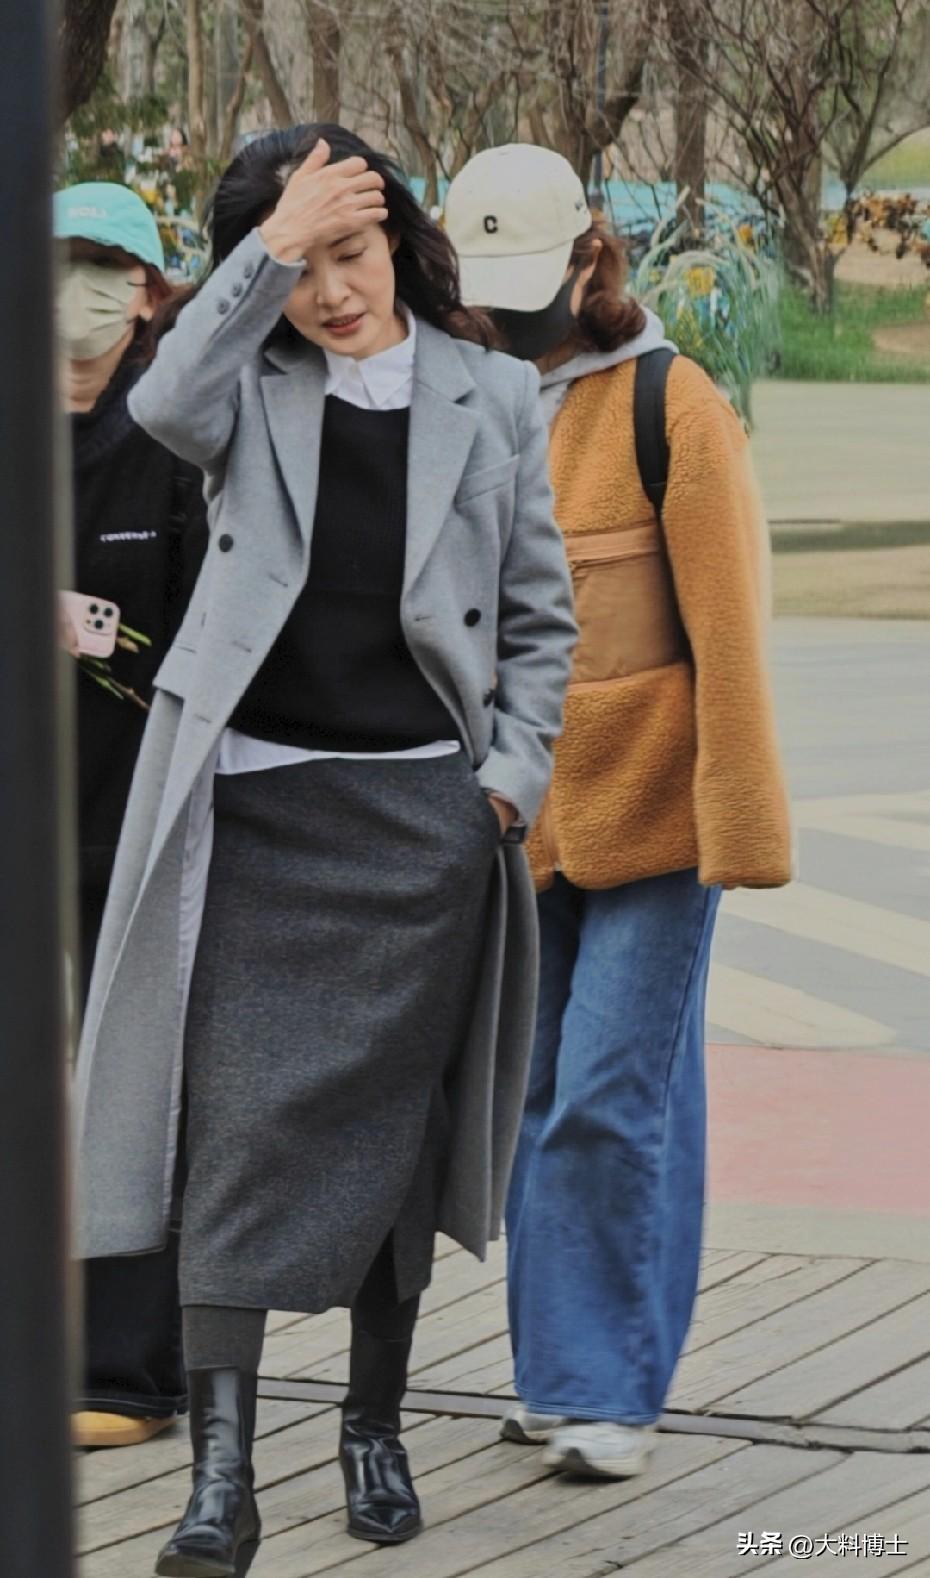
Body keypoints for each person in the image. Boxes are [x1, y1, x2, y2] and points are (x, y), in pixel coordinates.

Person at [73, 125, 576, 1574]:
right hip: (252, 811)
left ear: (398, 241)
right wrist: (271, 246)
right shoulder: (245, 380)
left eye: (353, 253)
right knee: (236, 1137)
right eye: (304, 265)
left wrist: (501, 788)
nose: (333, 293)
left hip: (420, 821)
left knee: (390, 1146)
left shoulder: (492, 391)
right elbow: (162, 400)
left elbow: (538, 616)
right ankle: (220, 1479)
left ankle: (372, 1426)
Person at [446, 144, 792, 1480]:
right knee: (544, 1096)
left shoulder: (671, 401)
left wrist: (739, 822)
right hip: (515, 820)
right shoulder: (463, 396)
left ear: (591, 255)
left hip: (655, 813)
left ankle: (602, 1387)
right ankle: (565, 1373)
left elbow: (730, 635)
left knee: (608, 1090)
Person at [55, 182, 208, 1451]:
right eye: (58, 260)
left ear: (150, 294)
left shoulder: (176, 441)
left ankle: (127, 1372)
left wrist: (91, 632)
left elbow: (209, 643)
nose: (79, 289)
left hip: (135, 821)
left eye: (107, 266)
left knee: (127, 1089)